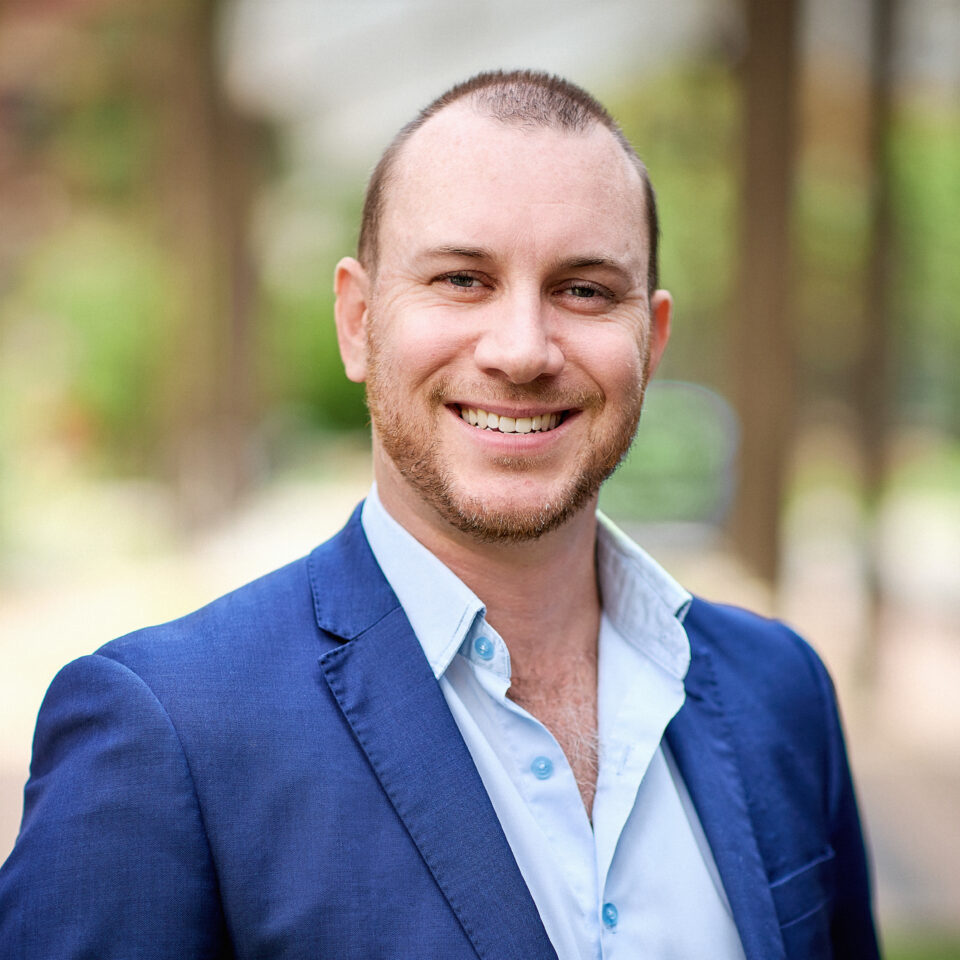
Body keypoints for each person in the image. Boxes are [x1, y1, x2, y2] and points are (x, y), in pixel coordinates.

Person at [0, 70, 879, 960]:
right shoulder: (166, 732)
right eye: (463, 279)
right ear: (357, 322)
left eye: (583, 289)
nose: (523, 350)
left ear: (649, 341)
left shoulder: (783, 694)